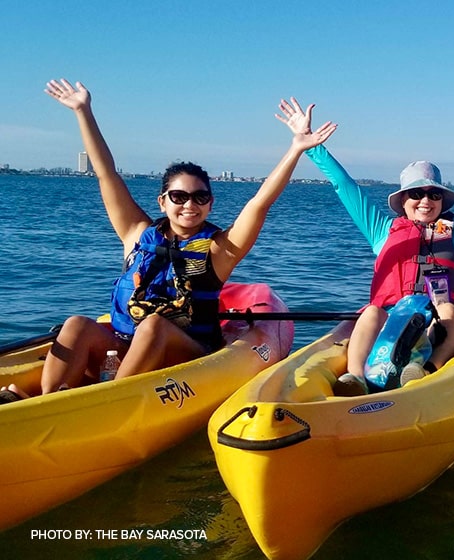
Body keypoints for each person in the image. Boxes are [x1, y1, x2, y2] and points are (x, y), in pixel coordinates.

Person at [26, 78, 336, 398]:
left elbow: (260, 202)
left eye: (201, 197)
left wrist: (296, 148)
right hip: (123, 349)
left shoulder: (219, 250)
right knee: (76, 324)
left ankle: (109, 400)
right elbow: (106, 174)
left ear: (211, 203)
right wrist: (83, 111)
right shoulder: (136, 234)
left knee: (155, 326)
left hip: (185, 356)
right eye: (179, 196)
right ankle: (49, 399)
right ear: (162, 201)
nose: (190, 205)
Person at [284, 95, 454, 386]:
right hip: (389, 321)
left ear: (442, 200)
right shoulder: (382, 230)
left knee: (450, 310)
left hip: (435, 321)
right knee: (371, 312)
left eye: (434, 194)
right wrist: (313, 148)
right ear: (402, 201)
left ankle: (426, 370)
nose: (426, 200)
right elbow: (345, 187)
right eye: (416, 194)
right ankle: (355, 377)